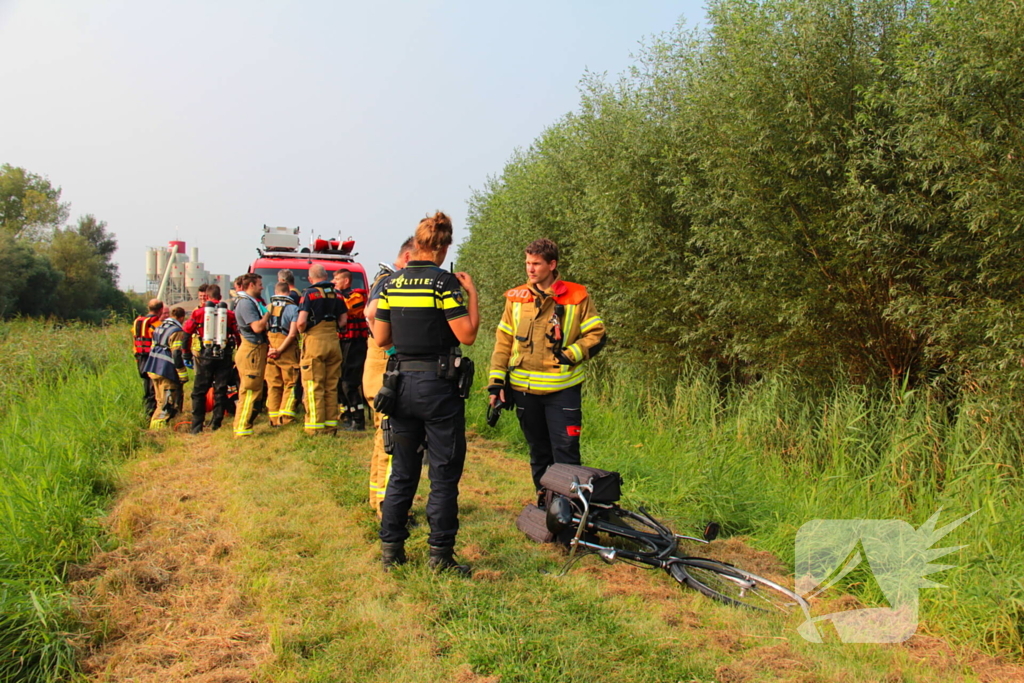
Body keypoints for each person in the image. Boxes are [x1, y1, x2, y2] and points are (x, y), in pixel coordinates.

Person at [373, 212, 479, 573]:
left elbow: (382, 338)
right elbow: (466, 335)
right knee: (443, 474)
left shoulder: (391, 284)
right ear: (444, 247)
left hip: (399, 385)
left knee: (402, 472)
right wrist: (473, 295)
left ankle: (392, 552)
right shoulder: (445, 284)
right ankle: (440, 556)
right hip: (438, 389)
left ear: (415, 245)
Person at [487, 238, 606, 497]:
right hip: (524, 389)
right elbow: (503, 342)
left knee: (566, 452)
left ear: (552, 265)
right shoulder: (516, 297)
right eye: (527, 263)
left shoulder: (577, 295)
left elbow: (596, 334)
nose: (530, 269)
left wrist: (571, 354)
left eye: (536, 264)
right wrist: (496, 383)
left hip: (562, 389)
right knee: (538, 451)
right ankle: (545, 505)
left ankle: (571, 509)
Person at [364, 237, 414, 517]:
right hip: (385, 365)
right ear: (407, 258)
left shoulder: (383, 277)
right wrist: (392, 347)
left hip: (378, 365)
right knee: (391, 438)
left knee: (382, 436)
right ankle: (390, 508)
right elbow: (370, 313)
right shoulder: (391, 280)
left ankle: (377, 498)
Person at [298, 264, 347, 435]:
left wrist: (303, 330)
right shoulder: (338, 294)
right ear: (326, 276)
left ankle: (315, 427)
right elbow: (343, 321)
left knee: (313, 384)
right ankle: (331, 425)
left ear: (311, 278)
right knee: (331, 385)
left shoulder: (309, 293)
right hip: (333, 341)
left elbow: (301, 321)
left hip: (315, 341)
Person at [183, 284, 240, 433]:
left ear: (207, 297)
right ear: (220, 297)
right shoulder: (229, 314)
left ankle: (196, 427)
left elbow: (187, 333)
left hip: (206, 355)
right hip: (224, 355)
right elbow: (237, 334)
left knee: (199, 391)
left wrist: (186, 353)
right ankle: (216, 424)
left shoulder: (199, 313)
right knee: (220, 390)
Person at [233, 273, 271, 437]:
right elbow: (257, 327)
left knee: (254, 389)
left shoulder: (251, 302)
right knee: (249, 391)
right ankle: (242, 428)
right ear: (251, 285)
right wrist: (268, 313)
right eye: (259, 284)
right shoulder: (246, 304)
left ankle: (244, 426)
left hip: (255, 350)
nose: (262, 287)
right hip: (251, 351)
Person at [333, 269, 370, 431]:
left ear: (346, 281)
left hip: (355, 343)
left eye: (337, 279)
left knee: (350, 382)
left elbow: (349, 310)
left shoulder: (357, 296)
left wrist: (335, 302)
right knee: (340, 381)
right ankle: (348, 414)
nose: (334, 282)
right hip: (342, 341)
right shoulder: (338, 297)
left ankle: (358, 420)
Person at [143, 306, 189, 429]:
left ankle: (155, 428)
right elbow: (176, 354)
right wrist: (182, 374)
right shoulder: (176, 331)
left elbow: (153, 347)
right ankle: (157, 431)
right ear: (181, 318)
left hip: (153, 367)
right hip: (165, 370)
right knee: (166, 404)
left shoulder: (159, 328)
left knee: (159, 401)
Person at [266, 281, 301, 426]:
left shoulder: (267, 307)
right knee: (291, 383)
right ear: (288, 292)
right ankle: (285, 417)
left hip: (269, 347)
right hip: (285, 348)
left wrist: (270, 348)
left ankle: (273, 417)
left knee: (273, 383)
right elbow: (292, 334)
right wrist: (280, 350)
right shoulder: (293, 309)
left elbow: (262, 329)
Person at [132, 299, 165, 416]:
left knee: (147, 387)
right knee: (153, 389)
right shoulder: (156, 325)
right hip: (152, 359)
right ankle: (151, 415)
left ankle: (146, 413)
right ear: (160, 310)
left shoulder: (137, 322)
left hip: (140, 358)